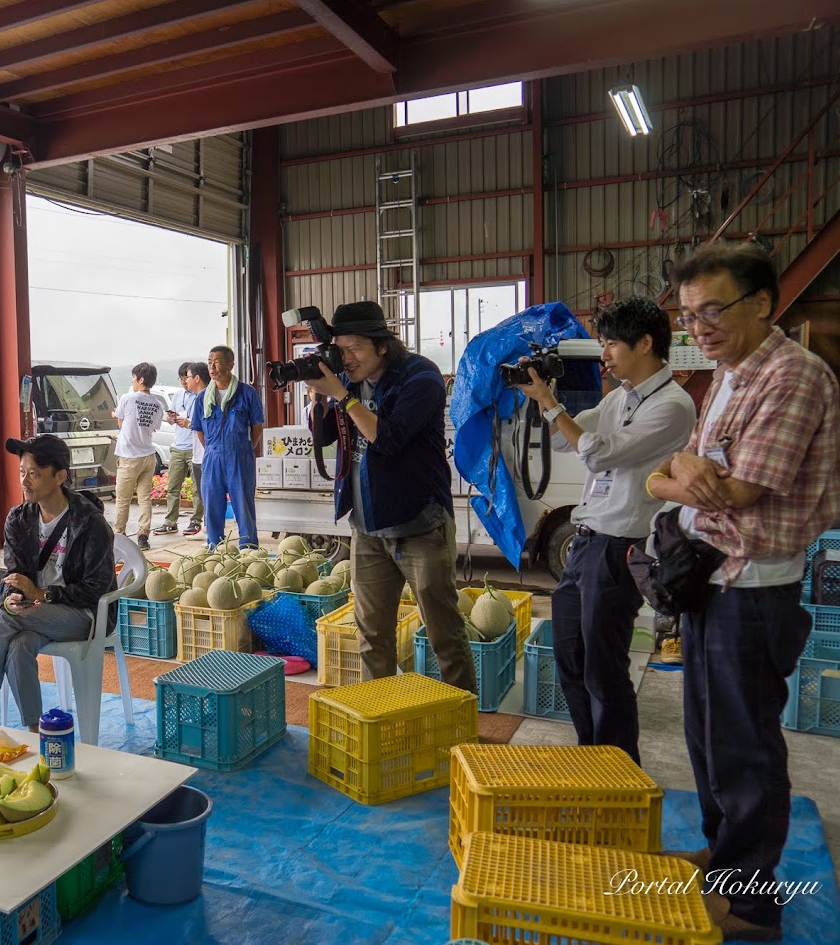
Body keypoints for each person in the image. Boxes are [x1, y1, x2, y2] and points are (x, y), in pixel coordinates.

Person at [647, 243, 840, 941]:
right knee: (706, 735)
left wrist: (680, 480)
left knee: (746, 749)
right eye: (689, 315)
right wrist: (682, 476)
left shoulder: (792, 377)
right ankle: (724, 855)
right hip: (712, 579)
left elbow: (739, 490)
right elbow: (684, 470)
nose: (698, 327)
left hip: (753, 591)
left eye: (714, 311)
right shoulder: (728, 375)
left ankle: (752, 904)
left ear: (763, 303)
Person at [512, 297, 696, 764]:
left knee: (604, 669)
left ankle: (617, 768)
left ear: (646, 343)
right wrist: (539, 398)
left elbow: (598, 453)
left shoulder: (674, 406)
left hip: (620, 549)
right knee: (570, 657)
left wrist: (552, 404)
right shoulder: (619, 397)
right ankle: (591, 756)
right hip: (585, 545)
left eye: (611, 343)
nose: (605, 354)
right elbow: (563, 435)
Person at [305, 301, 475, 692]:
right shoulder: (347, 380)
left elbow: (391, 439)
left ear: (382, 345)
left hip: (420, 524)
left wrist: (342, 396)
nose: (346, 359)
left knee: (444, 634)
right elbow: (327, 436)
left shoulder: (421, 377)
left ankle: (464, 721)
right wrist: (321, 396)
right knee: (372, 635)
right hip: (367, 528)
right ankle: (379, 715)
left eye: (355, 349)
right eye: (340, 350)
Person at [0, 435, 116, 729]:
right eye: (22, 472)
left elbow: (96, 588)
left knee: (7, 618)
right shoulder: (19, 518)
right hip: (35, 612)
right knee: (18, 645)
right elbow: (14, 575)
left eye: (35, 474)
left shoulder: (90, 522)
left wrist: (42, 594)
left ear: (60, 476)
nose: (25, 481)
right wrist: (13, 596)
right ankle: (36, 730)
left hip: (84, 614)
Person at [191, 345, 264, 549]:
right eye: (209, 362)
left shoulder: (247, 393)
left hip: (240, 457)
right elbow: (199, 430)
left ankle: (249, 551)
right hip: (213, 457)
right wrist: (214, 449)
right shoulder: (203, 397)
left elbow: (257, 427)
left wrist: (245, 448)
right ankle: (215, 550)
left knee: (244, 508)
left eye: (217, 361)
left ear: (230, 364)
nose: (212, 367)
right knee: (213, 508)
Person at [112, 362, 165, 551]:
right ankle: (143, 536)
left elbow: (121, 423)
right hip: (148, 456)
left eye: (134, 378)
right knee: (144, 498)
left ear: (141, 379)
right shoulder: (158, 405)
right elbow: (152, 428)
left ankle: (119, 535)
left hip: (129, 457)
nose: (133, 382)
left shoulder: (128, 398)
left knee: (123, 499)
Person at [154, 362, 206, 537]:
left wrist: (189, 422)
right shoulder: (178, 395)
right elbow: (171, 418)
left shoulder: (202, 396)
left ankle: (196, 521)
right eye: (182, 379)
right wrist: (172, 418)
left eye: (187, 378)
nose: (184, 382)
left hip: (194, 448)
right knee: (172, 487)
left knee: (197, 488)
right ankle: (170, 522)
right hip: (177, 446)